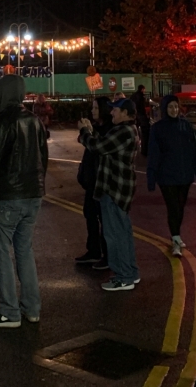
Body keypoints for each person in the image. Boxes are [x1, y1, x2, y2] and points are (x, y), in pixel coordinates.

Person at [0, 74, 49, 328]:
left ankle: (8, 311)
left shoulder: (2, 121)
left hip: (8, 196)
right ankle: (32, 308)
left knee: (1, 252)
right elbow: (43, 158)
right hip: (32, 195)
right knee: (24, 251)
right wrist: (37, 186)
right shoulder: (34, 120)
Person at [79, 98, 140, 291]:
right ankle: (130, 272)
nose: (111, 112)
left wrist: (84, 132)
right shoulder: (126, 130)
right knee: (122, 232)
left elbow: (98, 147)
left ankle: (123, 276)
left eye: (115, 110)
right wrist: (91, 132)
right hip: (118, 190)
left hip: (114, 190)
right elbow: (104, 144)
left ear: (125, 113)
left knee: (115, 234)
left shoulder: (124, 131)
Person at [147, 94, 196, 256]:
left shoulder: (185, 126)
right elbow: (154, 154)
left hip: (184, 175)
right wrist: (151, 177)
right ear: (165, 109)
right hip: (166, 176)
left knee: (180, 206)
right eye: (170, 107)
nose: (173, 110)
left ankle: (176, 235)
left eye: (175, 107)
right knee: (173, 207)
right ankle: (175, 238)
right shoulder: (158, 128)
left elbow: (194, 150)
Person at [75, 96, 111, 268]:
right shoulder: (97, 127)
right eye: (93, 108)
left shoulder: (109, 129)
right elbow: (84, 141)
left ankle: (107, 255)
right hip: (91, 180)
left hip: (101, 182)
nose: (93, 111)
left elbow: (96, 146)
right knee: (90, 214)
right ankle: (94, 250)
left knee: (104, 219)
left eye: (96, 108)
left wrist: (86, 131)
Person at [132, 85, 151, 156]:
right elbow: (142, 107)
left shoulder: (133, 95)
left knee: (135, 131)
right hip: (141, 116)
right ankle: (144, 150)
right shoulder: (141, 96)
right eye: (144, 89)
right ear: (142, 89)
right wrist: (145, 115)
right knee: (145, 132)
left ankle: (135, 147)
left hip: (135, 115)